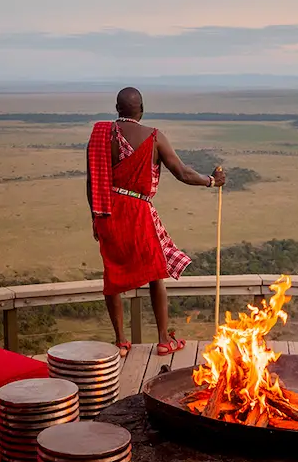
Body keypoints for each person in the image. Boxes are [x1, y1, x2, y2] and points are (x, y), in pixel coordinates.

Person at [86, 87, 226, 357]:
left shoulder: (101, 135)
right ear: (141, 110)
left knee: (112, 273)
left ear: (117, 109)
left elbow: (92, 180)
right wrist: (211, 180)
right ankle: (163, 340)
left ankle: (121, 342)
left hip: (107, 210)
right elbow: (182, 172)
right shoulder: (154, 137)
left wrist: (96, 216)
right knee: (155, 272)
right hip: (138, 210)